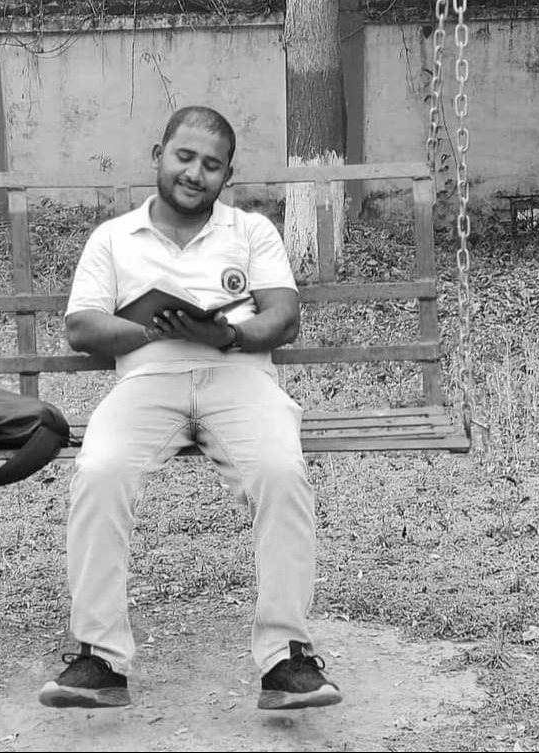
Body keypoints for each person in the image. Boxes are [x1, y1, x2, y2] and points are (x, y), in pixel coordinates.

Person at [38, 105, 342, 712]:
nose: (195, 173)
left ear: (227, 174)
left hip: (239, 376)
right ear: (159, 155)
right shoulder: (113, 238)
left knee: (281, 472)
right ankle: (100, 659)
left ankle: (286, 659)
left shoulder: (251, 232)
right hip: (147, 381)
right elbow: (81, 326)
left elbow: (283, 317)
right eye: (184, 157)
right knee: (100, 471)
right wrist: (152, 329)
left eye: (211, 165)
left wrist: (227, 335)